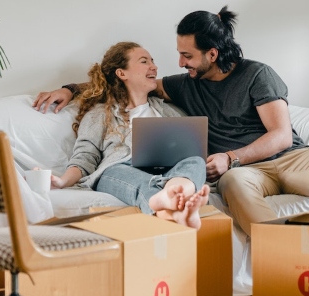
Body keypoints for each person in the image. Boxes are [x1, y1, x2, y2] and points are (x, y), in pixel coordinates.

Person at [33, 7, 309, 235]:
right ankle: (280, 248)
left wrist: (229, 158)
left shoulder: (256, 75)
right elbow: (114, 89)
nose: (177, 62)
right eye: (178, 54)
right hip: (240, 175)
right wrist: (70, 88)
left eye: (186, 56)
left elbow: (281, 136)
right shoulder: (179, 86)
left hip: (287, 160)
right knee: (231, 184)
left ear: (212, 54)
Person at [48, 41, 210, 229]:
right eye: (144, 61)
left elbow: (190, 151)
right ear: (121, 73)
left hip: (166, 172)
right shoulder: (100, 113)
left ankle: (172, 202)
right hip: (119, 171)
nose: (154, 67)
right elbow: (85, 156)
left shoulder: (169, 112)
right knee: (113, 171)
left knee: (195, 160)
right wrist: (62, 181)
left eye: (152, 61)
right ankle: (170, 202)